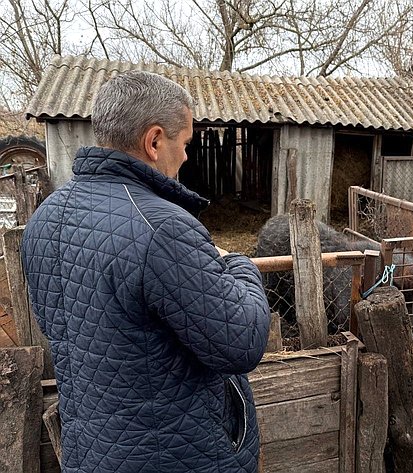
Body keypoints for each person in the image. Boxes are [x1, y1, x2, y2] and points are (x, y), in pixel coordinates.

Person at [21, 71, 271, 473]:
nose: (187, 156)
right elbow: (241, 341)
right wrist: (237, 264)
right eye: (185, 143)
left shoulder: (45, 220)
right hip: (178, 457)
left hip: (92, 455)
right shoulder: (162, 228)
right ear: (154, 141)